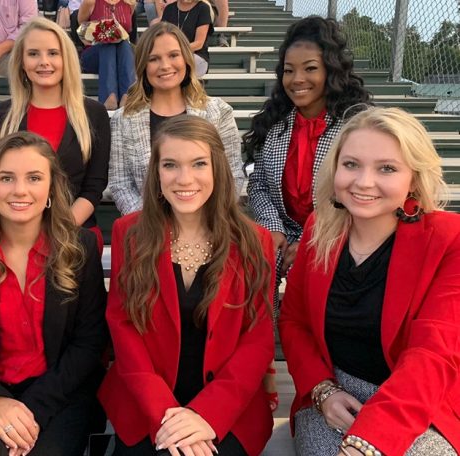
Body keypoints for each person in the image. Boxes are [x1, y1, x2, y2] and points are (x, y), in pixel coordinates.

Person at [279, 107, 460, 456]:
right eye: (351, 165)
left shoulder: (449, 239)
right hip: (336, 396)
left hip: (419, 401)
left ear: (414, 178)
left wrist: (372, 440)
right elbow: (294, 320)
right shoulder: (320, 228)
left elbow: (433, 353)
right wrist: (322, 391)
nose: (363, 182)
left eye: (387, 168)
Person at [99, 115, 275, 456]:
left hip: (227, 408)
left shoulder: (255, 241)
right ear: (157, 172)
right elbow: (123, 328)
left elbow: (258, 339)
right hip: (147, 403)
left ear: (217, 170)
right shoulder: (129, 234)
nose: (184, 179)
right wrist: (166, 413)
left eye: (198, 164)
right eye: (170, 165)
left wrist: (206, 414)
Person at [0, 132, 108, 456]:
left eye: (34, 178)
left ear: (50, 189)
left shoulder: (80, 247)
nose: (19, 190)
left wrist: (33, 409)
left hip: (58, 394)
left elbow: (89, 343)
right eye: (6, 178)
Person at [243, 15, 371, 413]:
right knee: (255, 260)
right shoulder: (277, 125)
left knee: (318, 272)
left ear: (330, 70)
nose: (297, 79)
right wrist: (273, 230)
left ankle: (331, 377)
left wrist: (314, 240)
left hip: (341, 235)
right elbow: (259, 185)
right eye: (289, 70)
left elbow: (359, 196)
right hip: (285, 233)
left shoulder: (356, 125)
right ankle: (258, 374)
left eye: (310, 69)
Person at [0, 17, 110, 249]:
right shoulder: (2, 115)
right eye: (33, 54)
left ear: (67, 59)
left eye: (53, 53)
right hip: (14, 233)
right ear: (22, 62)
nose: (44, 62)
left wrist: (58, 232)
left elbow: (94, 186)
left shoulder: (94, 114)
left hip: (74, 232)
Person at [108, 22, 243, 216]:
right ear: (143, 66)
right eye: (153, 59)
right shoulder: (124, 119)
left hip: (208, 225)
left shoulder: (219, 111)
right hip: (149, 231)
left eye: (173, 55)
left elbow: (232, 176)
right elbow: (121, 184)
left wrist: (200, 222)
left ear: (186, 59)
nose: (165, 66)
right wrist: (152, 222)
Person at [78, 0, 136, 109]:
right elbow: (81, 30)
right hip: (93, 53)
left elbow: (129, 31)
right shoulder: (90, 2)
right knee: (108, 44)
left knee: (124, 44)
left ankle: (127, 96)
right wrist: (103, 35)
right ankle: (109, 97)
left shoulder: (130, 3)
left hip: (120, 53)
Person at [159, 0, 213, 77]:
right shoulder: (169, 9)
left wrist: (175, 51)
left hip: (195, 55)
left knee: (177, 63)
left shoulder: (203, 8)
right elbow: (162, 37)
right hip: (170, 56)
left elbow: (199, 43)